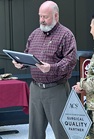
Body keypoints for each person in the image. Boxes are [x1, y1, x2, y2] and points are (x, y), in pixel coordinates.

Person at [12, 1, 77, 139]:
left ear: (56, 16)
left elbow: (70, 61)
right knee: (34, 133)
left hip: (56, 89)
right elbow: (27, 54)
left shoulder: (66, 35)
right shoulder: (35, 34)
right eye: (40, 16)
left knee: (61, 132)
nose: (42, 20)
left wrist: (51, 68)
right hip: (35, 89)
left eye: (45, 17)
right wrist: (20, 63)